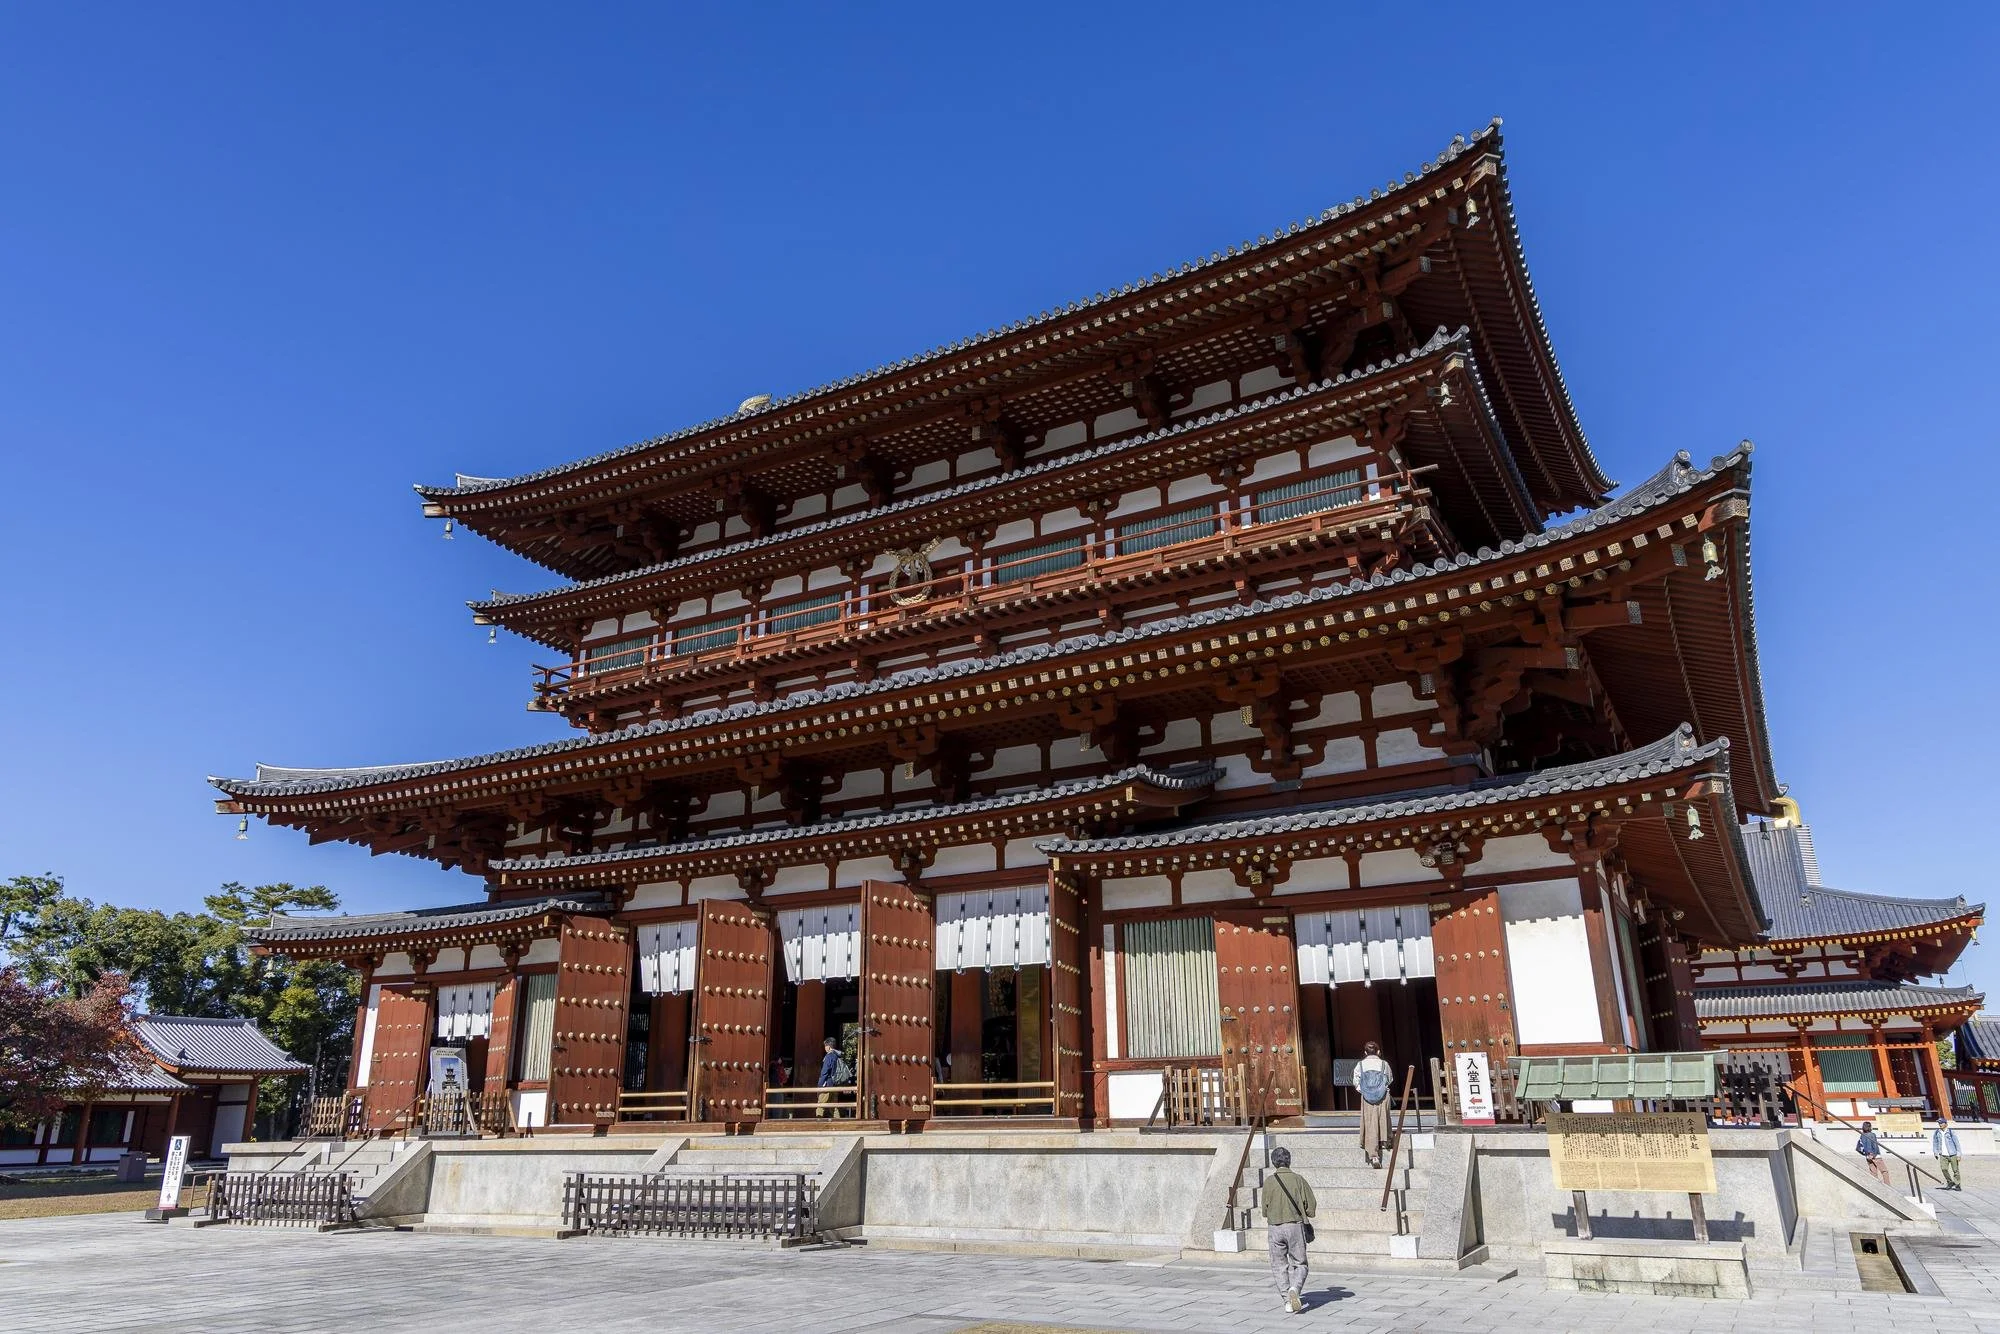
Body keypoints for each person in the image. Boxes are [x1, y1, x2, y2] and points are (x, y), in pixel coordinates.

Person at [1261, 1145, 1316, 1315]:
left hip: (1275, 1227)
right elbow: (1311, 1206)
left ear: (1274, 1162)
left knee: (1279, 1265)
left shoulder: (1269, 1181)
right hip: (1295, 1226)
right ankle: (1295, 1288)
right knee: (1300, 1263)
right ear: (1289, 1160)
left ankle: (1287, 1300)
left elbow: (1264, 1209)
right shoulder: (1298, 1179)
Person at [1353, 1042, 1393, 1168]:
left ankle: (1373, 1156)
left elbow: (1356, 1081)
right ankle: (1385, 1141)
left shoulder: (1360, 1064)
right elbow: (1390, 1079)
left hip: (1367, 1097)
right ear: (1378, 1052)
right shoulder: (1384, 1064)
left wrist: (1364, 1091)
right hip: (1382, 1096)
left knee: (1370, 1123)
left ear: (1365, 1053)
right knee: (1383, 1118)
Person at [816, 1037, 847, 1119]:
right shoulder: (837, 1056)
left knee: (820, 1105)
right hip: (835, 1084)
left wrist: (820, 1084)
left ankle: (817, 1124)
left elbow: (825, 1072)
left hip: (827, 1083)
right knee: (834, 1106)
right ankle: (838, 1124)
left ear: (828, 1047)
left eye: (825, 1046)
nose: (825, 1048)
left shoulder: (829, 1057)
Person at [1933, 1114, 1963, 1191]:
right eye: (1939, 1123)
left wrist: (1959, 1154)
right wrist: (1935, 1152)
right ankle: (1950, 1182)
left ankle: (1957, 1184)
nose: (1940, 1124)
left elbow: (1957, 1143)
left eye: (1941, 1123)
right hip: (1943, 1154)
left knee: (1955, 1170)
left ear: (1946, 1124)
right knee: (1944, 1169)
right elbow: (1935, 1143)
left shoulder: (1950, 1132)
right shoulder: (1937, 1132)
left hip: (1952, 1154)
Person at [1856, 1120, 1891, 1186]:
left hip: (1867, 1156)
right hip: (1875, 1155)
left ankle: (1875, 1186)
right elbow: (1873, 1145)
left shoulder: (1862, 1135)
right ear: (1870, 1127)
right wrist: (1872, 1154)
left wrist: (1867, 1154)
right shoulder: (1872, 1135)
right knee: (1884, 1171)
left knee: (1873, 1172)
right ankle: (1888, 1186)